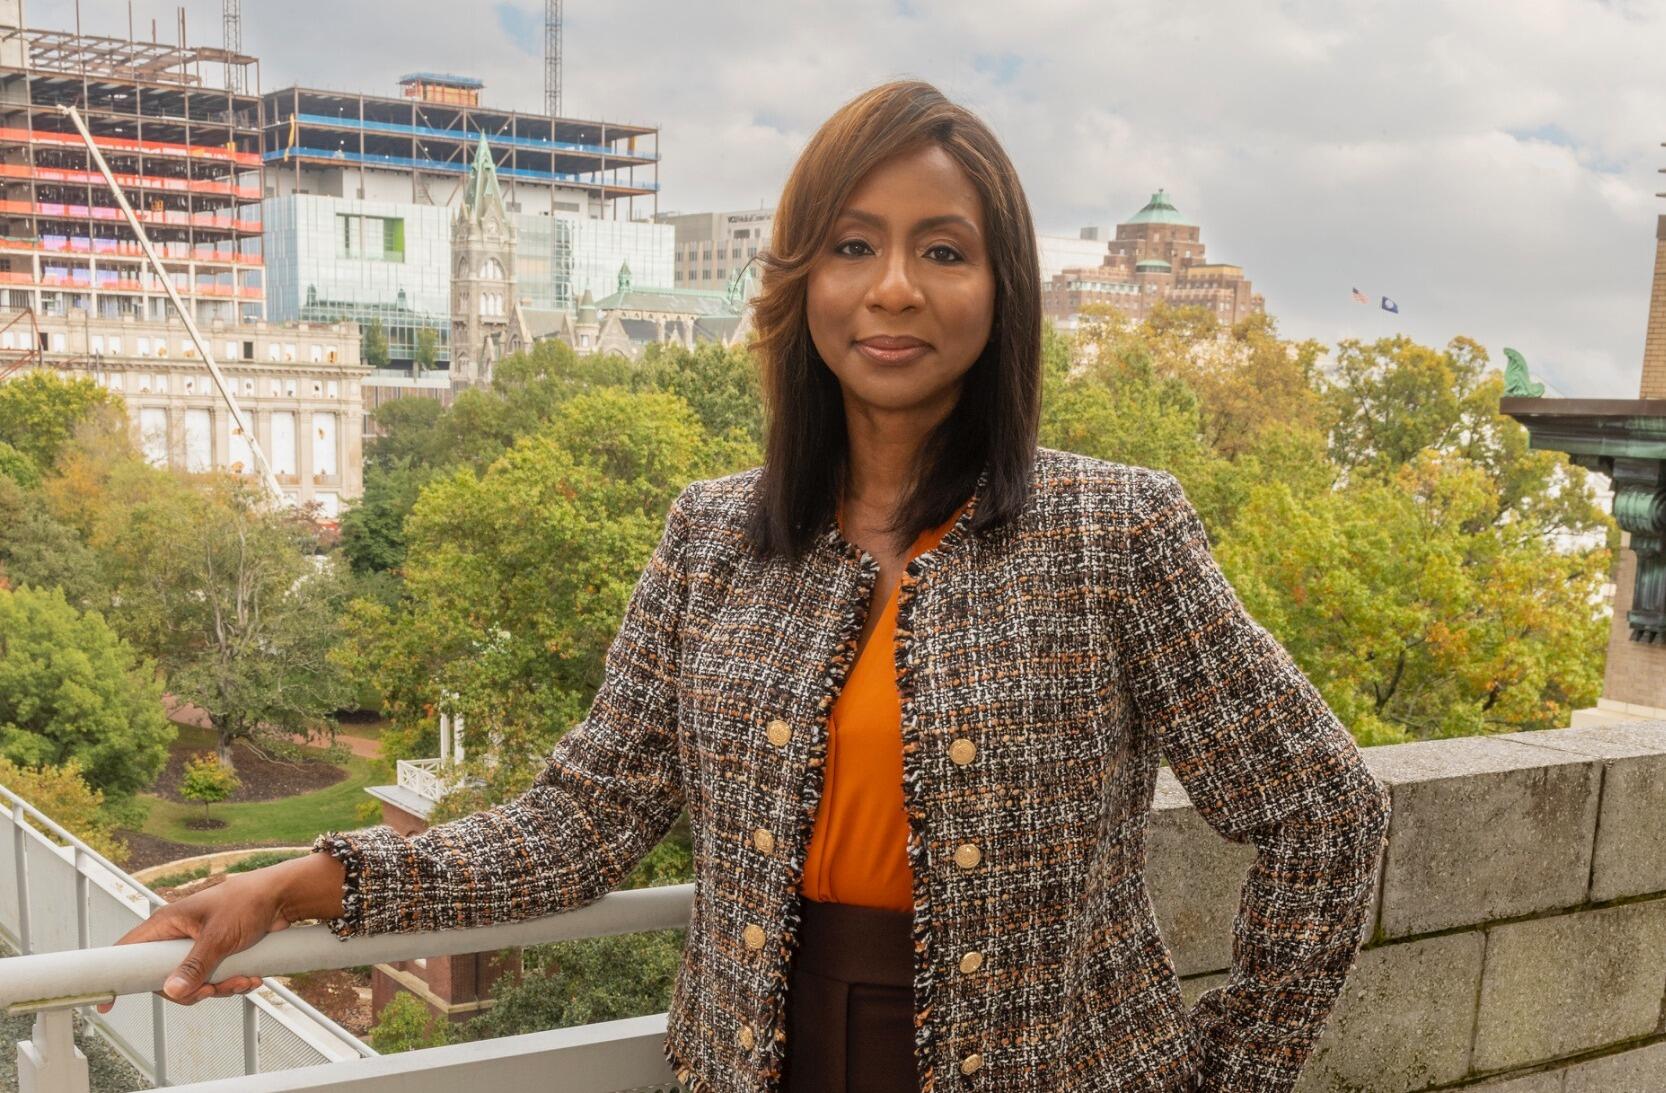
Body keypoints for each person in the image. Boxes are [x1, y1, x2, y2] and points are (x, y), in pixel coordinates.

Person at [105, 79, 1392, 1093]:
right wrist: (298, 887)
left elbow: (1325, 814)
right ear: (799, 282)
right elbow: (586, 819)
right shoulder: (713, 537)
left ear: (1002, 292)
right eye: (851, 245)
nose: (892, 288)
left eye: (943, 251)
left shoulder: (1114, 529)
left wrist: (1232, 1073)